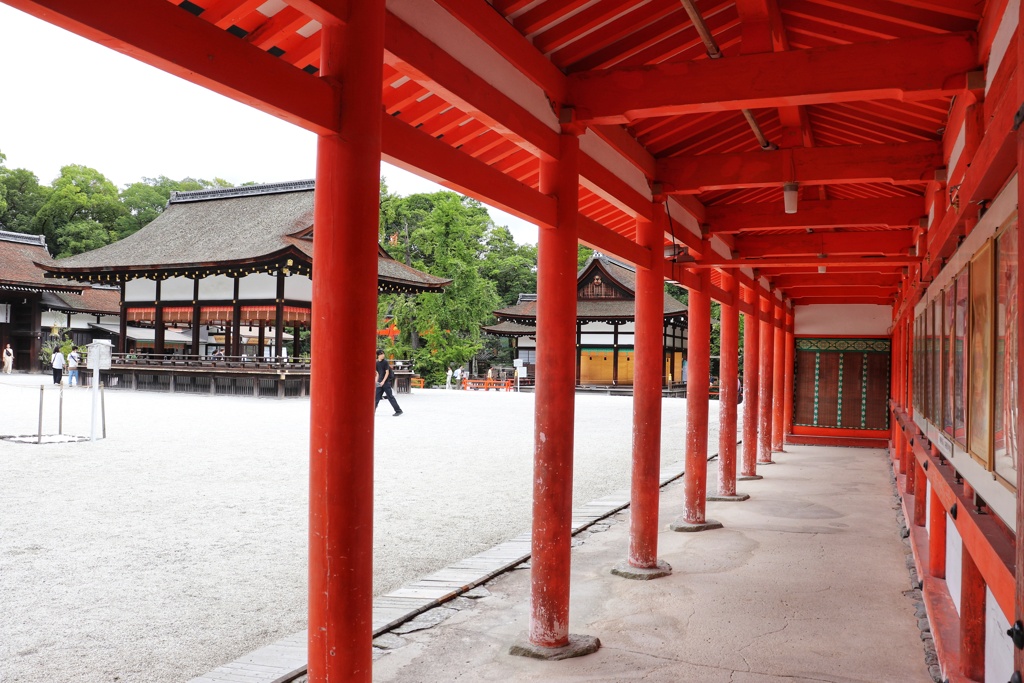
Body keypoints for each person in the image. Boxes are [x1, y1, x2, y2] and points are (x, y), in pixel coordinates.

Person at [374, 349, 403, 416]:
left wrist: (383, 381)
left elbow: (387, 372)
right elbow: (378, 373)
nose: (382, 355)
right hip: (380, 382)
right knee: (376, 397)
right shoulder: (376, 363)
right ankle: (372, 411)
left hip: (386, 382)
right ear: (378, 355)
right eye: (381, 354)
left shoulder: (385, 362)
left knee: (390, 397)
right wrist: (376, 381)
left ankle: (398, 410)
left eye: (383, 354)